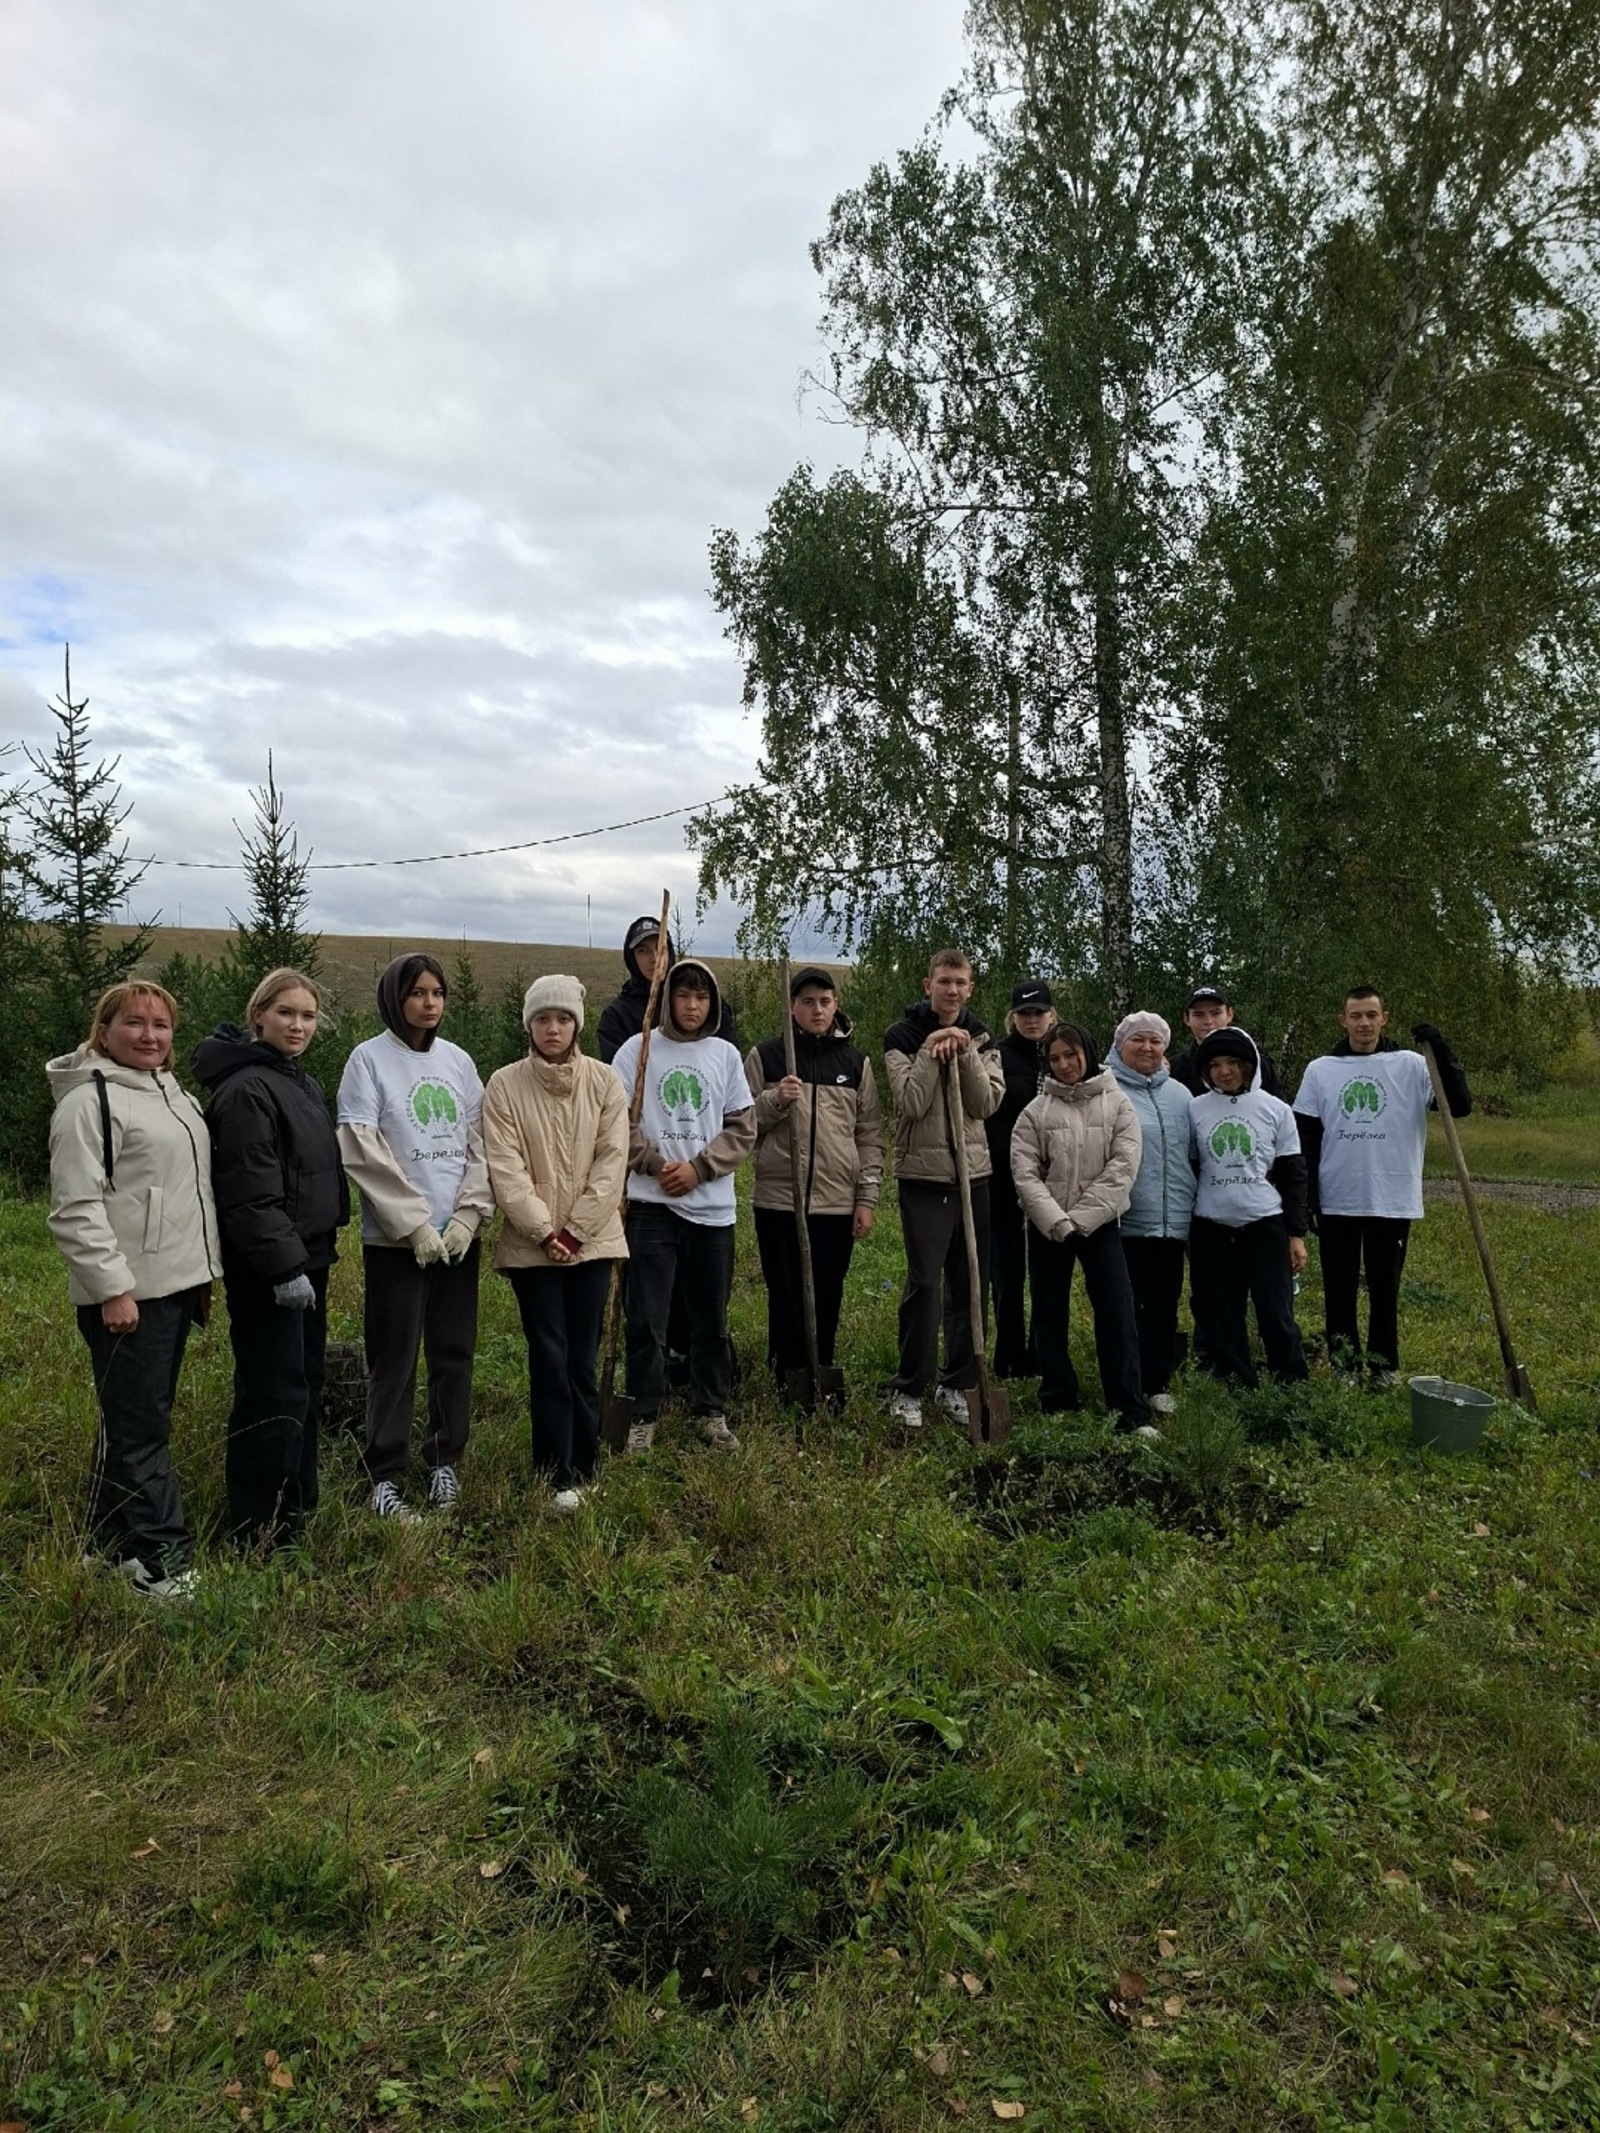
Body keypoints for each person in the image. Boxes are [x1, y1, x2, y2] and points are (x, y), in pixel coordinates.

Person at [47, 981, 221, 1601]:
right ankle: (161, 1561)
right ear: (104, 1031)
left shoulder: (171, 1095)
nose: (150, 1035)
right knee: (143, 1428)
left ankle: (106, 1543)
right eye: (134, 1024)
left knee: (132, 1419)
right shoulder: (87, 1103)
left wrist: (201, 1276)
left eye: (162, 1025)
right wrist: (113, 1288)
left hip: (174, 1285)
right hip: (129, 1295)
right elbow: (75, 1209)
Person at [194, 968, 349, 1551]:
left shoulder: (295, 1080)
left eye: (308, 1016)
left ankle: (296, 1504)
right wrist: (284, 1268)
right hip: (273, 1270)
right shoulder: (245, 1090)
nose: (299, 1025)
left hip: (310, 1256)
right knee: (271, 1390)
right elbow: (249, 1190)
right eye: (286, 1013)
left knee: (303, 1382)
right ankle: (261, 1526)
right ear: (259, 1015)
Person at [336, 953, 493, 1520]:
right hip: (397, 1242)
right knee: (394, 1356)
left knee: (453, 1350)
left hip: (456, 1238)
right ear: (394, 998)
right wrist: (413, 1223)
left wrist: (470, 1216)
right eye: (418, 993)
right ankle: (385, 1474)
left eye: (438, 993)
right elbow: (361, 1145)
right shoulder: (369, 1061)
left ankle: (445, 1461)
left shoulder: (457, 1062)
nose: (430, 1003)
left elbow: (482, 1142)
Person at [483, 976, 629, 1509]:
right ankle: (554, 1473)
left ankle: (586, 1467)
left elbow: (612, 1163)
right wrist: (545, 1230)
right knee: (548, 1356)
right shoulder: (503, 1086)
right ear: (529, 1025)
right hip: (532, 1248)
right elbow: (505, 1166)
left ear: (576, 1026)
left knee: (582, 1359)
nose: (553, 1028)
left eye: (563, 1019)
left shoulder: (606, 1083)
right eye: (543, 1019)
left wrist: (576, 1231)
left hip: (591, 1243)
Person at [1293, 987, 1471, 1387]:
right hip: (1338, 1195)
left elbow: (1458, 1104)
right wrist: (1307, 1198)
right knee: (1338, 1288)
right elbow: (1305, 1136)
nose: (1364, 1023)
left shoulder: (1410, 1065)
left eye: (1371, 1015)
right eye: (1355, 1015)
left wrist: (1440, 1051)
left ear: (1384, 1018)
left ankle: (1383, 1366)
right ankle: (1344, 1365)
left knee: (1384, 1287)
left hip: (1392, 1195)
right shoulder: (1321, 1069)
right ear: (1343, 1020)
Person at [612, 959, 755, 1452]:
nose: (692, 1005)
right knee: (646, 1317)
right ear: (668, 998)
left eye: (702, 997)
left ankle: (710, 1410)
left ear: (711, 1003)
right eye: (683, 995)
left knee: (709, 1316)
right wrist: (652, 1163)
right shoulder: (639, 1050)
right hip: (651, 1205)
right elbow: (615, 1121)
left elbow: (742, 1127)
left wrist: (700, 1167)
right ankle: (642, 1414)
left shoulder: (725, 1055)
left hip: (712, 1209)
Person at [744, 965, 884, 1388]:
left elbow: (870, 1134)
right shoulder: (766, 1056)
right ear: (792, 1007)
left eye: (824, 1001)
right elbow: (740, 1124)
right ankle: (784, 1373)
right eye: (807, 1002)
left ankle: (819, 1366)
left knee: (827, 1290)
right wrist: (774, 1100)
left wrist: (867, 1197)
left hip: (835, 1199)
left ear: (835, 1005)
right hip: (777, 1199)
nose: (816, 1010)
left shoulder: (855, 1062)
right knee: (783, 1292)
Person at [882, 949, 1004, 1431]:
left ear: (970, 988)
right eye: (944, 981)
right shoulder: (902, 1036)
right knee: (926, 1284)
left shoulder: (983, 1035)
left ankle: (956, 1384)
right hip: (925, 1179)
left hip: (973, 1175)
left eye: (961, 983)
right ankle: (910, 1386)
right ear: (926, 984)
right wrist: (933, 1049)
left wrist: (967, 1049)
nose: (952, 990)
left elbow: (986, 1102)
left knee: (969, 1282)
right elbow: (911, 1104)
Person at [1011, 1022, 1151, 1431]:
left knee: (1116, 1312)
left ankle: (1128, 1407)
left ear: (1087, 1053)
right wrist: (1056, 1221)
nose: (1064, 1064)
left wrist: (1082, 1219)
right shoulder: (1036, 1112)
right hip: (1047, 1225)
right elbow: (1024, 1172)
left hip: (1100, 1225)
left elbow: (1122, 1168)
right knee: (1049, 1312)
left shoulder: (1118, 1105)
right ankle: (1057, 1398)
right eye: (1055, 1058)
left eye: (1071, 1055)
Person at [1187, 1028, 1308, 1387]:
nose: (1224, 1072)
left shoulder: (1276, 1109)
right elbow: (1190, 1166)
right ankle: (1238, 1382)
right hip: (1211, 1226)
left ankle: (1291, 1383)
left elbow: (1293, 1173)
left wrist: (1296, 1233)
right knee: (1223, 1313)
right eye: (1215, 1065)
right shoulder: (1194, 1109)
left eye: (1233, 1064)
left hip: (1264, 1224)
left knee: (1276, 1310)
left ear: (1248, 1066)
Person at [1107, 1011, 1196, 1415]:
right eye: (1137, 1040)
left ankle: (1157, 1381)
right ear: (1120, 1045)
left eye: (1155, 1041)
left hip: (1172, 1218)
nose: (1147, 1048)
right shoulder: (1106, 1089)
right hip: (1126, 1219)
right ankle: (1125, 1383)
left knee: (1163, 1302)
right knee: (1126, 1306)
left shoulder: (1181, 1095)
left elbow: (1194, 1154)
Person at [985, 982, 1057, 1378]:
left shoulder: (1061, 1056)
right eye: (1025, 1014)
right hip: (1003, 1177)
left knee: (1046, 1270)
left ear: (1051, 1016)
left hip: (1053, 1180)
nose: (1033, 1021)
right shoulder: (998, 1055)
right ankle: (1008, 1356)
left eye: (1040, 1013)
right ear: (1013, 1017)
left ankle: (1041, 1353)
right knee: (1007, 1272)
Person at [598, 915, 739, 1064]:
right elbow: (614, 1077)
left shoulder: (702, 1003)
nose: (654, 958)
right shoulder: (617, 1016)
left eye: (661, 948)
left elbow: (728, 1063)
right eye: (642, 950)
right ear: (632, 958)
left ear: (669, 951)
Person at [1170, 986, 1284, 1099]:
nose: (1208, 1021)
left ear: (1229, 1014)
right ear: (1186, 1019)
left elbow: (1277, 1110)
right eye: (1199, 1015)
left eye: (1216, 1013)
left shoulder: (1255, 1063)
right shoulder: (1175, 1069)